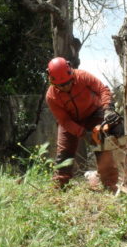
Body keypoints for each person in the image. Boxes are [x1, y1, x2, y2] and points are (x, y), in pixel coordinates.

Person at [45, 57, 119, 192]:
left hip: (93, 113)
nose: (66, 87)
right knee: (64, 153)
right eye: (61, 86)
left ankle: (110, 184)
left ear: (71, 73)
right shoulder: (51, 96)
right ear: (53, 83)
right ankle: (60, 187)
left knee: (101, 145)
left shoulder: (83, 76)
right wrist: (83, 133)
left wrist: (108, 109)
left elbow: (102, 89)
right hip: (70, 121)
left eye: (68, 83)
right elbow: (64, 121)